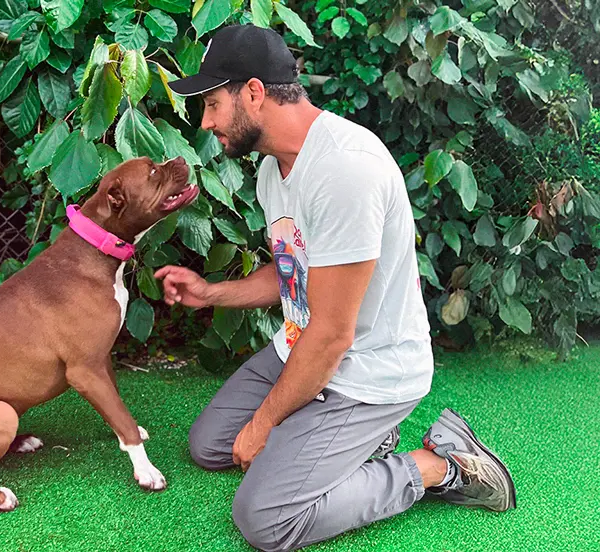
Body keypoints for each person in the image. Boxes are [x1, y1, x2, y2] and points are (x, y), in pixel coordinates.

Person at [154, 24, 516, 552]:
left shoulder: (346, 170)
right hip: (307, 350)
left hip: (369, 370)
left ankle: (439, 466)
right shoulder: (271, 172)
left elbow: (330, 334)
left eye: (211, 103)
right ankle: (354, 443)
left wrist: (264, 423)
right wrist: (210, 294)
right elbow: (291, 275)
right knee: (211, 446)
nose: (206, 122)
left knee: (265, 520)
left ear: (253, 93)